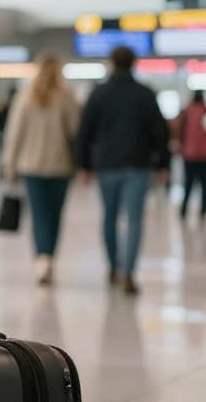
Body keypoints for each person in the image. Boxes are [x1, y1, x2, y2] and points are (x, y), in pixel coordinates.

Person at [75, 46, 170, 295]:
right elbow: (160, 132)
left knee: (110, 216)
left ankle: (113, 267)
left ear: (111, 63)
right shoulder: (145, 94)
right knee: (135, 220)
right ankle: (128, 272)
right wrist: (163, 164)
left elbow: (85, 132)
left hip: (107, 165)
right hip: (138, 165)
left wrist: (84, 164)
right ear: (133, 63)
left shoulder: (99, 94)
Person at [0, 53, 80, 285]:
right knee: (55, 215)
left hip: (31, 165)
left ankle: (41, 259)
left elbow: (15, 133)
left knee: (38, 214)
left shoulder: (26, 98)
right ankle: (50, 257)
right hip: (61, 165)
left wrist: (9, 163)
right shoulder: (67, 98)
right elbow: (74, 133)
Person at [171, 90, 206, 221]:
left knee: (188, 183)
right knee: (204, 185)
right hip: (204, 155)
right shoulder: (204, 111)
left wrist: (178, 145)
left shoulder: (186, 111)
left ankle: (184, 210)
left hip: (189, 154)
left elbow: (176, 129)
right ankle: (202, 211)